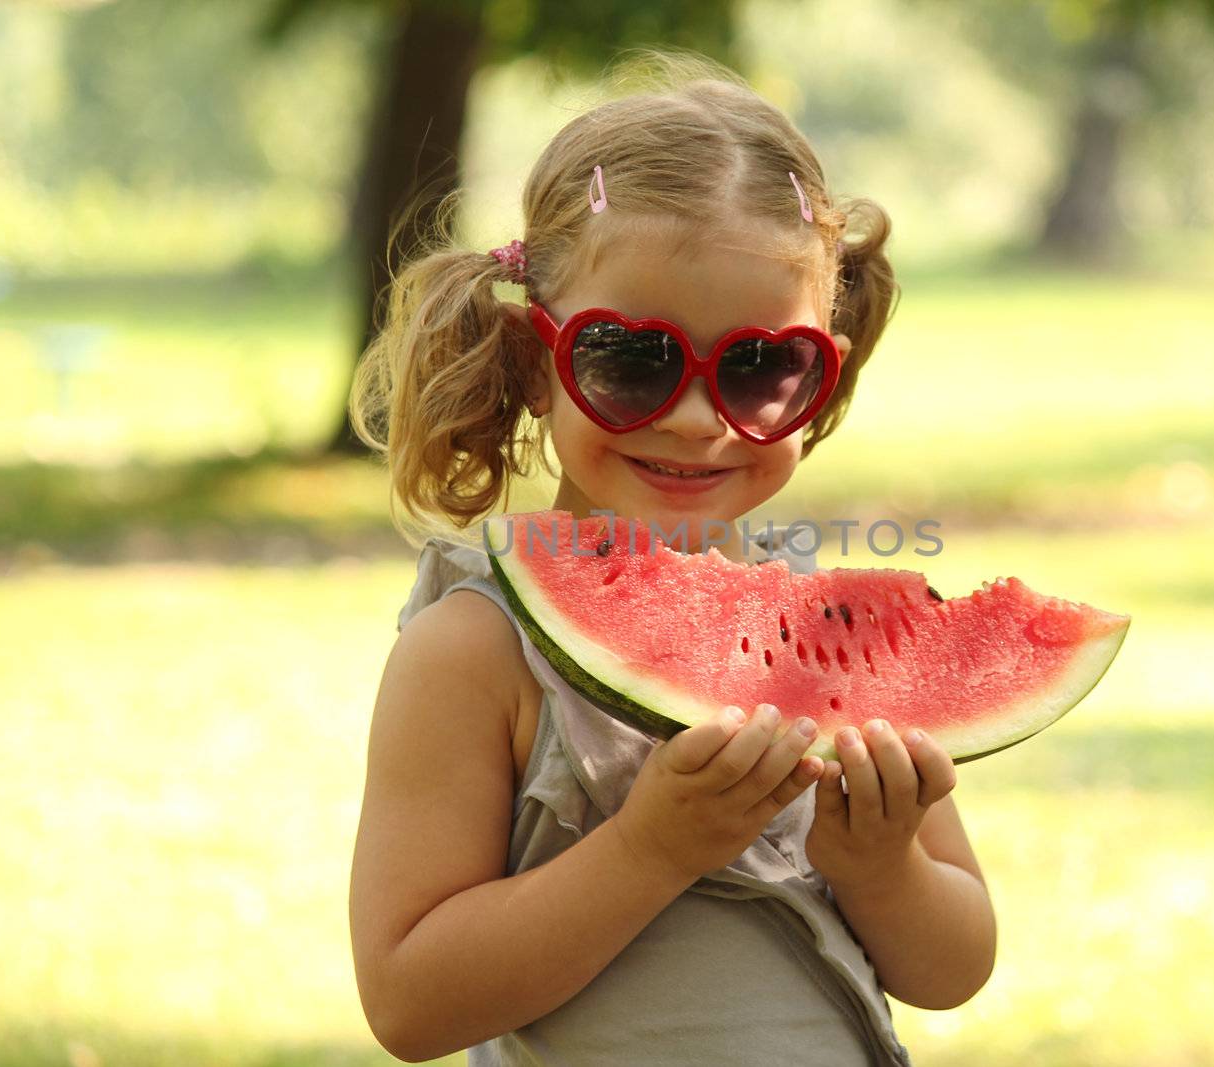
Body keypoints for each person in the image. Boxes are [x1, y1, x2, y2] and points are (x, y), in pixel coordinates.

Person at [346, 50, 997, 1066]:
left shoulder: (830, 636)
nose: (698, 421)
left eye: (763, 365)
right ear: (533, 358)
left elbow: (952, 965)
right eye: (632, 357)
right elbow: (408, 1002)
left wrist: (880, 863)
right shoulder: (471, 651)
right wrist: (649, 848)